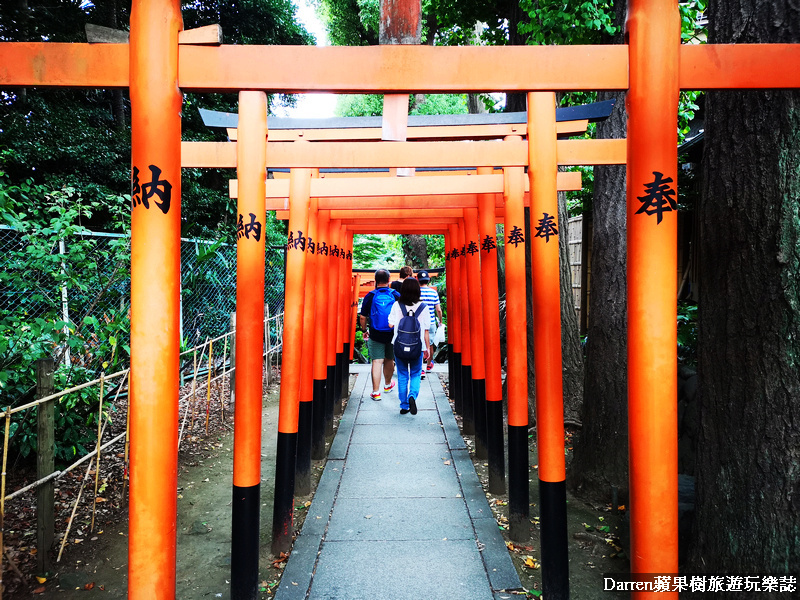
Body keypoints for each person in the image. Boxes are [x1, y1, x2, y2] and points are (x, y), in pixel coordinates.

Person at [388, 278, 431, 415]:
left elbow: (390, 324)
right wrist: (427, 349)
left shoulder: (396, 305)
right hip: (417, 347)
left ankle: (404, 405)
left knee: (402, 374)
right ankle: (412, 395)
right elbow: (426, 331)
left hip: (399, 345)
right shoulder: (423, 307)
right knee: (415, 373)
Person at [359, 269, 400, 401]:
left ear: (375, 280)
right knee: (389, 359)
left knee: (377, 361)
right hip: (392, 332)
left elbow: (363, 317)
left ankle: (376, 392)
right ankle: (387, 385)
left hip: (376, 333)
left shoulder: (370, 296)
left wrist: (364, 330)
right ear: (389, 280)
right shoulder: (396, 295)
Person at [417, 270, 442, 375]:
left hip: (417, 323)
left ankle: (420, 368)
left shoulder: (416, 292)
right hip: (430, 322)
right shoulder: (433, 292)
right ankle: (428, 365)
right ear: (428, 280)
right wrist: (440, 321)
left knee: (419, 344)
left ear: (418, 280)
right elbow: (438, 309)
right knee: (430, 344)